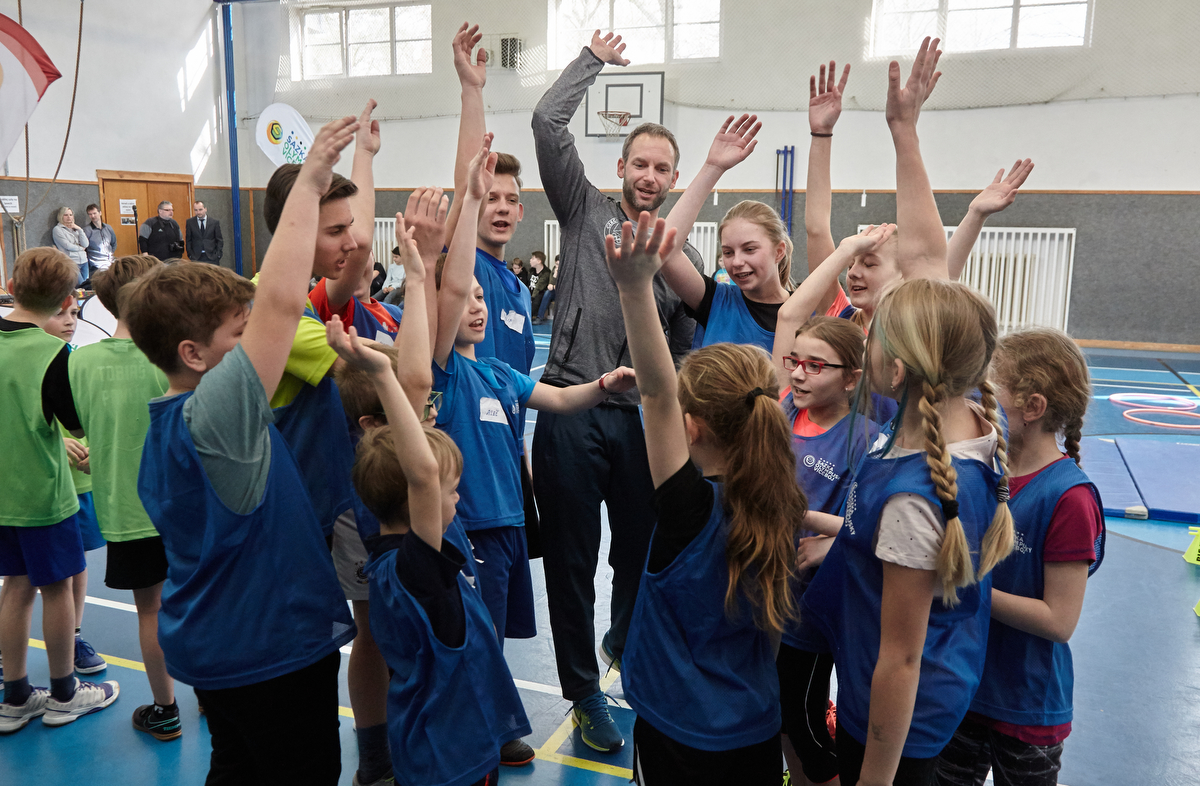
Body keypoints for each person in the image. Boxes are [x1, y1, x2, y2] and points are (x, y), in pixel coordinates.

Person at [796, 37, 1015, 786]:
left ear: (897, 366)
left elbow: (901, 658)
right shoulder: (955, 417)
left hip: (894, 724)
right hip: (923, 695)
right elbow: (924, 261)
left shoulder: (918, 495)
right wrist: (904, 132)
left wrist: (875, 777)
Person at [125, 116, 360, 782]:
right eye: (240, 333)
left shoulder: (166, 428)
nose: (258, 342)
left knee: (235, 767)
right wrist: (310, 181)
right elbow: (281, 303)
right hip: (269, 650)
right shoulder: (217, 418)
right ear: (194, 354)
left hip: (215, 649)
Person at [434, 134, 636, 762]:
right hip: (462, 484)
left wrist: (595, 391)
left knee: (497, 612)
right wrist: (472, 105)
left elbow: (534, 394)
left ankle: (492, 722)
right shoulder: (463, 279)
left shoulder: (518, 298)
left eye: (508, 199)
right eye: (488, 197)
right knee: (464, 617)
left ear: (523, 211)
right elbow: (453, 276)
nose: (499, 207)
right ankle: (462, 732)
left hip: (505, 471)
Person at [530, 28, 703, 752]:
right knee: (571, 562)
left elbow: (688, 349)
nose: (649, 175)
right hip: (571, 408)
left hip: (640, 426)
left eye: (662, 168)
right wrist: (591, 61)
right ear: (621, 167)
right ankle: (581, 692)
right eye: (640, 163)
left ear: (674, 178)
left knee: (641, 551)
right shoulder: (584, 210)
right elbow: (547, 122)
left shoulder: (681, 254)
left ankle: (623, 642)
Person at [606, 212, 805, 785]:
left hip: (680, 730)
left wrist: (634, 287)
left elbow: (655, 391)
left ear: (691, 427)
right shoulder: (783, 504)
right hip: (754, 726)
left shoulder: (690, 511)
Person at [326, 286, 530, 786]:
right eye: (450, 490)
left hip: (438, 740)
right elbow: (422, 472)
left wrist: (419, 277)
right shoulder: (416, 565)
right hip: (451, 753)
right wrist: (381, 373)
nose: (457, 498)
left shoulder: (396, 556)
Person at [934, 329, 1105, 786]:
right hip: (964, 685)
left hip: (1026, 706)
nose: (977, 405)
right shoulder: (982, 469)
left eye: (989, 394)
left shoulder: (1068, 497)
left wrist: (963, 585)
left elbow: (1059, 620)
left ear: (1033, 408)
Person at [0, 247, 120, 734]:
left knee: (15, 587)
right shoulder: (53, 354)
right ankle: (66, 693)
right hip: (45, 496)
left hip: (3, 495)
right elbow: (75, 424)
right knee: (57, 590)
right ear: (68, 299)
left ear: (11, 287)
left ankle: (15, 696)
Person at [68, 255, 181, 740]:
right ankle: (212, 696)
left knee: (150, 611)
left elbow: (87, 427)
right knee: (198, 601)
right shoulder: (174, 356)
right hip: (182, 508)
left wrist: (101, 452)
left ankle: (166, 710)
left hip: (127, 511)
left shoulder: (79, 362)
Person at [771, 315, 883, 786]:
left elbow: (876, 527)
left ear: (851, 379)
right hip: (767, 596)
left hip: (812, 610)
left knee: (803, 720)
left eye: (815, 366)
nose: (799, 374)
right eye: (795, 361)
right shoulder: (782, 412)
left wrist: (830, 539)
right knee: (781, 714)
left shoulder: (866, 439)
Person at [43, 299, 109, 677]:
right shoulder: (29, 358)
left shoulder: (79, 358)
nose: (70, 321)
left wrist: (96, 447)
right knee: (26, 577)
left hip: (80, 482)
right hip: (43, 484)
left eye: (73, 313)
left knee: (77, 562)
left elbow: (94, 412)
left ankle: (74, 637)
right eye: (60, 313)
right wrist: (57, 442)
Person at [53, 207, 91, 285]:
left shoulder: (75, 228)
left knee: (86, 286)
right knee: (80, 286)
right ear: (61, 216)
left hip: (84, 261)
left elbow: (86, 244)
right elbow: (68, 246)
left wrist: (80, 230)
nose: (69, 217)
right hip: (72, 262)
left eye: (70, 215)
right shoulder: (57, 229)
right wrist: (81, 248)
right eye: (66, 215)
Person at [83, 204, 117, 273]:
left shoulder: (108, 228)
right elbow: (84, 247)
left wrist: (110, 253)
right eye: (90, 214)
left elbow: (114, 243)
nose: (93, 216)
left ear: (100, 213)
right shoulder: (87, 230)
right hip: (96, 264)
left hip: (110, 261)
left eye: (94, 213)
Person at [533, 253, 558, 324]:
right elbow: (550, 285)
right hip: (555, 292)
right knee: (548, 292)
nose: (557, 266)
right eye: (556, 264)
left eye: (559, 265)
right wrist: (555, 275)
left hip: (564, 293)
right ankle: (539, 317)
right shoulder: (554, 269)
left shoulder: (566, 271)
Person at [528, 251, 552, 323]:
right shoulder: (531, 271)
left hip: (537, 295)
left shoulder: (546, 273)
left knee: (537, 298)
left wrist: (531, 298)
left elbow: (538, 287)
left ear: (539, 261)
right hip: (529, 293)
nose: (530, 260)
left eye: (533, 258)